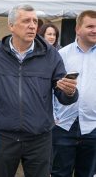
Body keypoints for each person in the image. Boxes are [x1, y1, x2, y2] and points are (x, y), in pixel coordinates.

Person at [0, 4, 79, 177]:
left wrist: (69, 92)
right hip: (4, 137)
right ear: (11, 26)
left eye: (35, 21)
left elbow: (64, 96)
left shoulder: (50, 54)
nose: (32, 25)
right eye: (26, 21)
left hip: (39, 138)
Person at [51, 10, 96, 177]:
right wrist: (51, 116)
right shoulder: (61, 55)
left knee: (87, 174)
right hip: (64, 125)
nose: (94, 30)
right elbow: (50, 89)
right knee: (59, 173)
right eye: (90, 26)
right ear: (77, 28)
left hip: (93, 126)